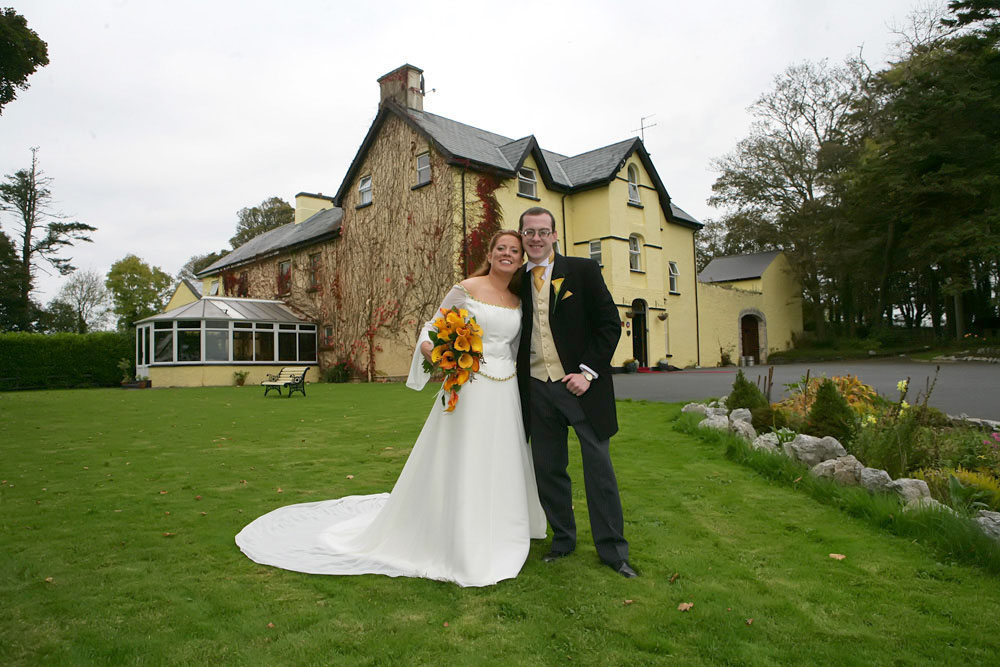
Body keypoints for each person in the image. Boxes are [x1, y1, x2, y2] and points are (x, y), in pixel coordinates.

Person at [235, 230, 546, 587]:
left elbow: (518, 348)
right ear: (489, 255)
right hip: (470, 386)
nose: (507, 254)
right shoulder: (467, 288)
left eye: (514, 251)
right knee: (466, 456)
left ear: (520, 260)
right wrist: (435, 352)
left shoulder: (518, 301)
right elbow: (431, 328)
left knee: (502, 456)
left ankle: (502, 527)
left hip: (505, 390)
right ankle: (461, 534)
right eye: (501, 248)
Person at [515, 206, 636, 578]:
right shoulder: (515, 280)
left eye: (543, 231)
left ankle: (613, 552)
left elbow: (609, 324)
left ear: (554, 236)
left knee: (599, 469)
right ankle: (563, 540)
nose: (536, 238)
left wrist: (587, 372)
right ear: (522, 237)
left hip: (581, 387)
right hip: (537, 388)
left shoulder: (583, 271)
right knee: (549, 469)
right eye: (529, 232)